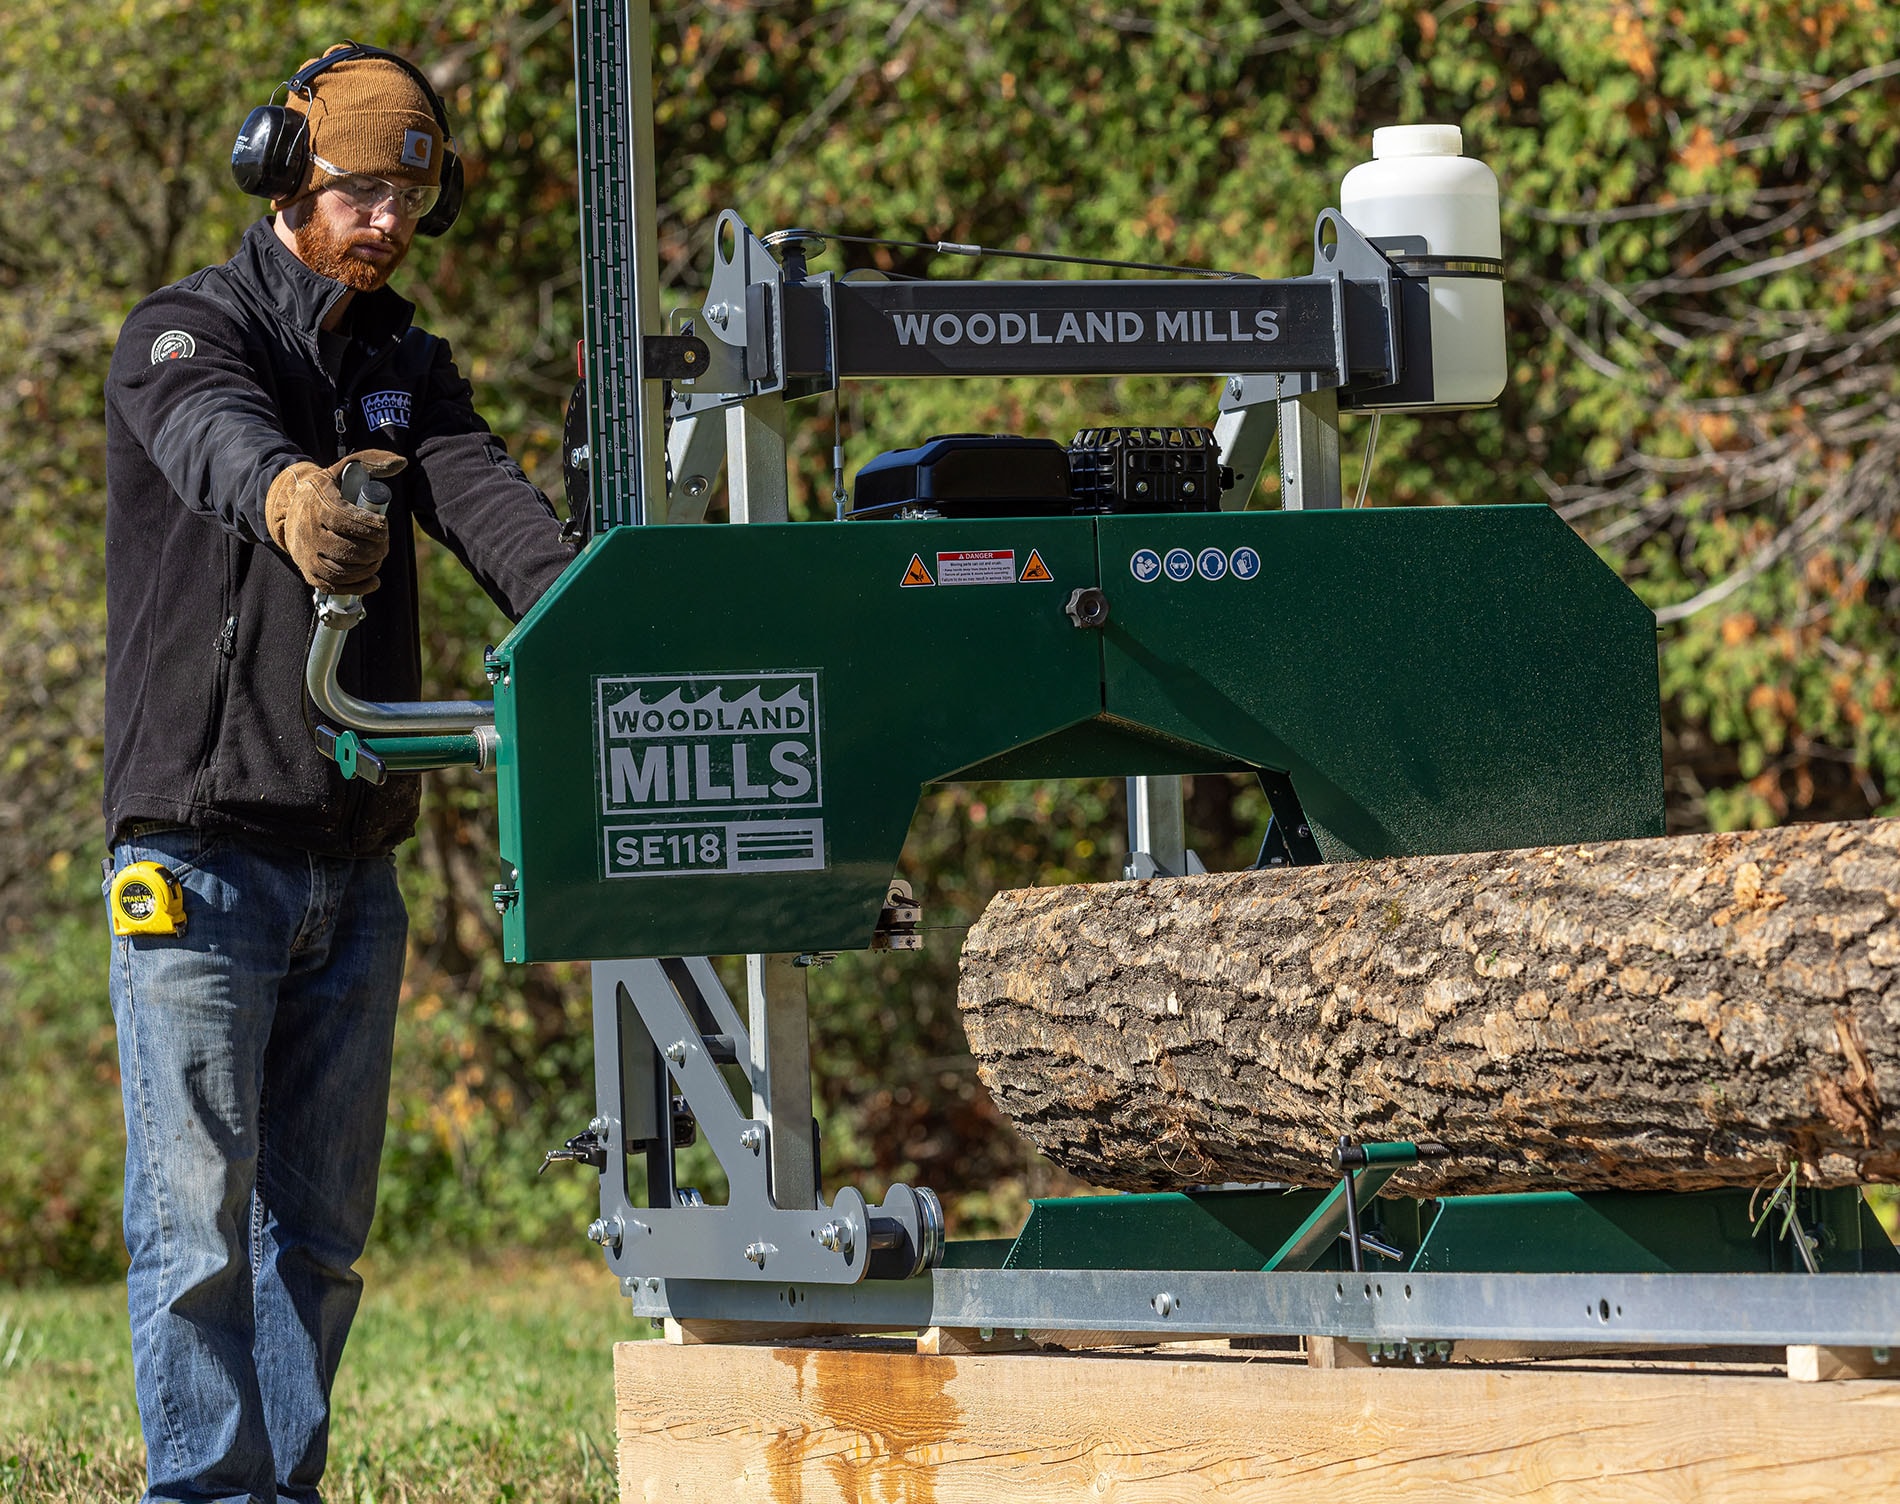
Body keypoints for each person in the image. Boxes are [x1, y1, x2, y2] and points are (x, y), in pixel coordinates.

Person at [102, 43, 575, 1504]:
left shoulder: (402, 366)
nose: (382, 224)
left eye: (405, 200)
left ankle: (283, 1488)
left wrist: (590, 616)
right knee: (193, 1230)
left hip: (348, 860)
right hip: (195, 851)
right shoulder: (186, 329)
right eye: (357, 191)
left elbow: (490, 504)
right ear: (287, 175)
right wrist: (292, 491)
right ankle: (207, 1492)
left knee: (317, 1236)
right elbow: (209, 438)